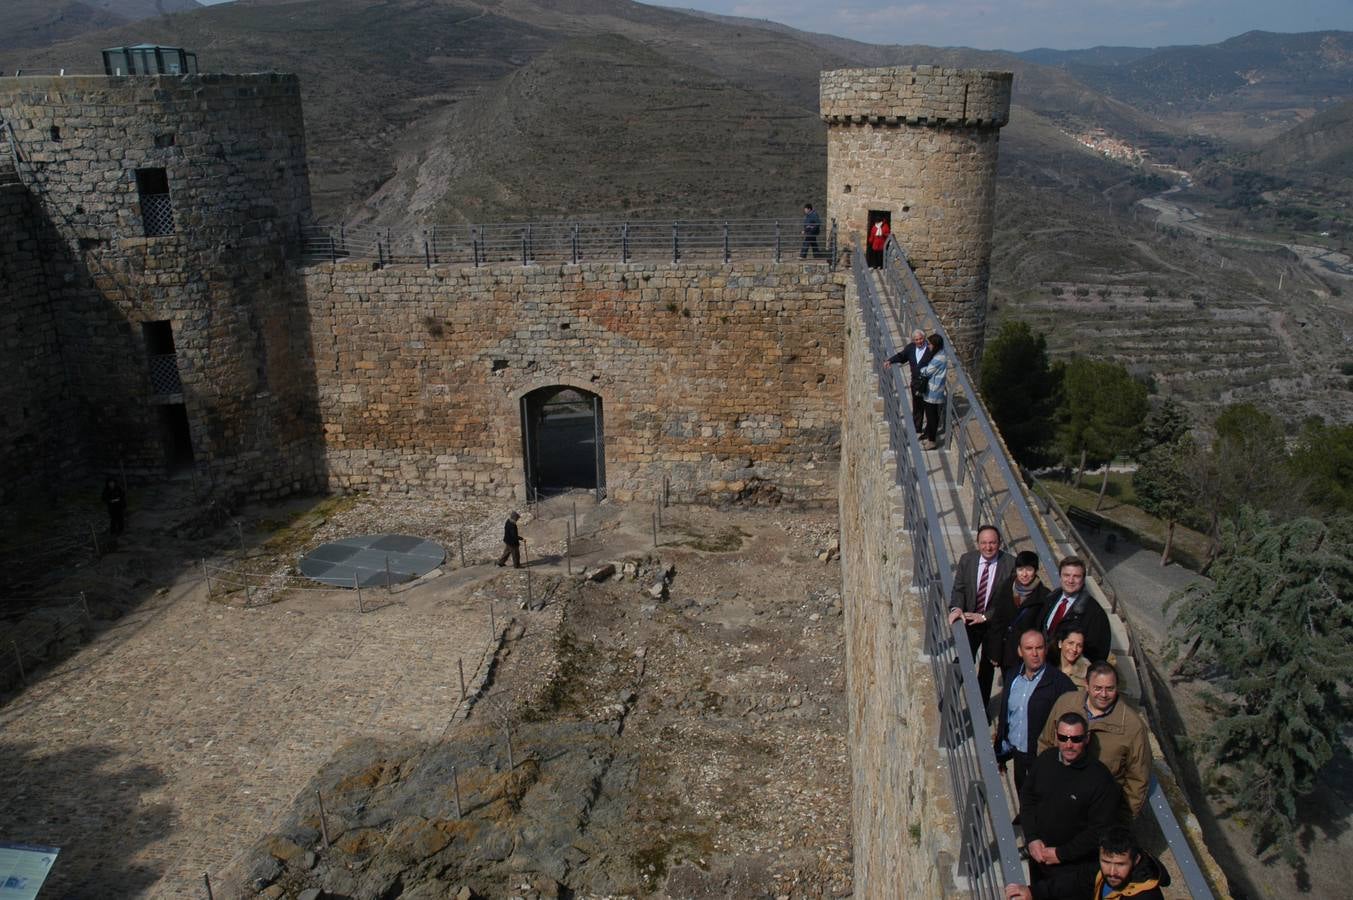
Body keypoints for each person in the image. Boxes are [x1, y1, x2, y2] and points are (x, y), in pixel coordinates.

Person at [1019, 712, 1121, 889]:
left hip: (1073, 870)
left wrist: (1061, 854)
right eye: (1063, 737)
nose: (1069, 745)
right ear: (1056, 736)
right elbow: (1028, 798)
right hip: (1039, 857)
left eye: (1076, 739)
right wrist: (1032, 838)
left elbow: (1100, 830)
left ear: (1087, 739)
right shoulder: (1045, 760)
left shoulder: (1100, 779)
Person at [1038, 661, 1152, 819]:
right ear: (1086, 684)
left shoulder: (1133, 727)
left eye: (1110, 688)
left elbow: (1138, 779)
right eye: (1098, 688)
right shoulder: (1065, 703)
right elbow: (1046, 743)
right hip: (1057, 800)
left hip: (1098, 812)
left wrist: (1122, 820)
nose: (1104, 694)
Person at [994, 628, 1076, 791]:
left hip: (1043, 758)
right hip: (1018, 753)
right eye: (1029, 649)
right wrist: (1001, 753)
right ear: (1020, 651)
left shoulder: (1060, 684)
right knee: (1023, 797)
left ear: (1045, 650)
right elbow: (1007, 716)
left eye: (1039, 648)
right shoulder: (1012, 677)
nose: (1034, 654)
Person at [1003, 825, 1171, 900]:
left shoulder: (1146, 896)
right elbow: (1076, 880)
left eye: (1120, 864)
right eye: (1105, 861)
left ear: (1136, 860)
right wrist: (1034, 892)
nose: (1111, 871)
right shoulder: (1103, 871)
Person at [948, 525, 1015, 700]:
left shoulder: (1010, 565)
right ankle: (949, 700)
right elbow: (959, 589)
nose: (988, 547)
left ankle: (981, 706)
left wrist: (985, 616)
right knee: (963, 659)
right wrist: (957, 608)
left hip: (994, 625)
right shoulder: (967, 560)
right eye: (984, 543)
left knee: (987, 668)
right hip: (970, 620)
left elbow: (1008, 601)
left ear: (999, 543)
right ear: (977, 543)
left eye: (992, 543)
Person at [984, 550, 1051, 688]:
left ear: (1036, 570)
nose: (1024, 574)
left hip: (1025, 654)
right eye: (1020, 569)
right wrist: (995, 653)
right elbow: (998, 621)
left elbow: (1041, 628)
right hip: (1005, 650)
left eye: (1029, 569)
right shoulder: (1007, 586)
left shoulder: (1044, 596)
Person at [1042, 557, 1112, 664]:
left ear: (1083, 579)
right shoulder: (1050, 598)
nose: (1070, 580)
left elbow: (1098, 655)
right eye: (1066, 575)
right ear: (1060, 576)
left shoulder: (1095, 613)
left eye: (1076, 576)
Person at [883, 329, 934, 433]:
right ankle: (917, 429)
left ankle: (930, 431)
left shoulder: (931, 349)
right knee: (917, 407)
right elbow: (902, 356)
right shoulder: (910, 348)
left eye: (921, 339)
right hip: (916, 383)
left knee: (929, 407)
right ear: (913, 340)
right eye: (917, 340)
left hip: (929, 383)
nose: (919, 341)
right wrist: (890, 360)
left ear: (924, 338)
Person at [918, 334, 947, 449]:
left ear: (935, 345)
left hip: (933, 391)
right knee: (932, 415)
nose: (928, 346)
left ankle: (932, 441)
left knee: (931, 416)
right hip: (934, 390)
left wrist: (921, 369)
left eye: (929, 344)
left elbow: (927, 372)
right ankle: (930, 437)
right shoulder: (941, 354)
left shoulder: (939, 358)